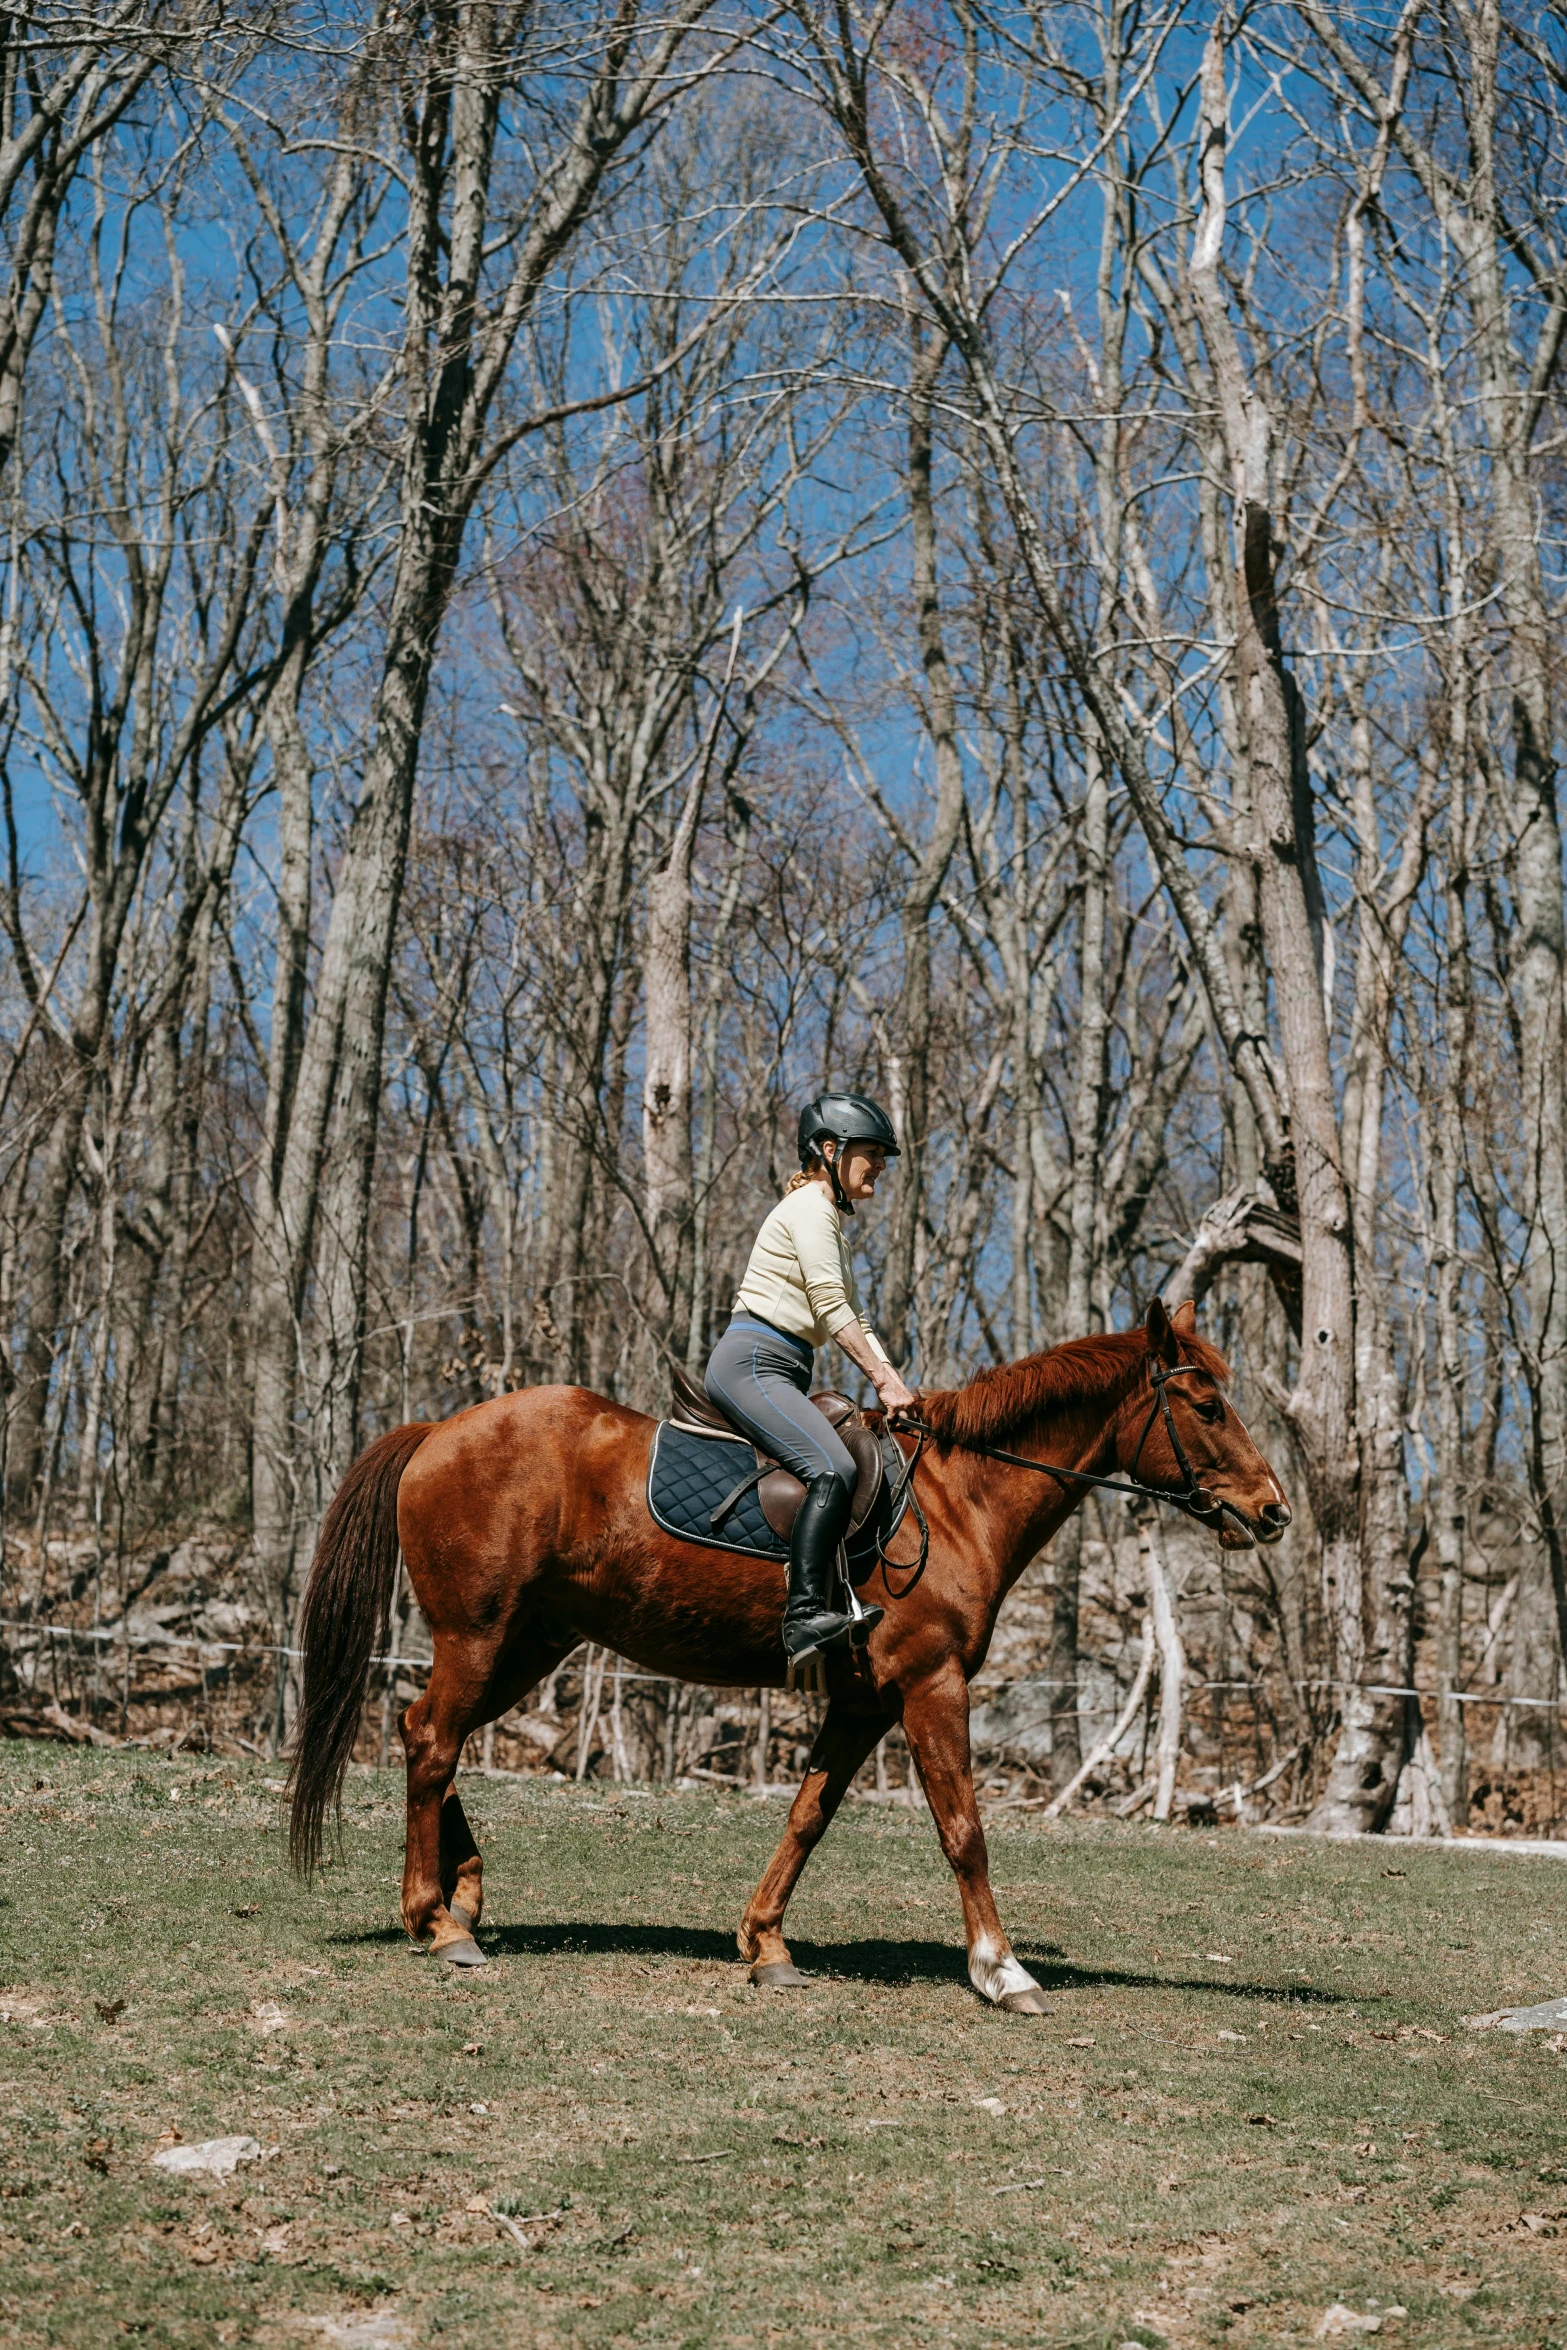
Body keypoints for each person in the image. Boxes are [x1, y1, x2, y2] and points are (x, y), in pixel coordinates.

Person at [705, 1091, 919, 1671]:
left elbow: (854, 1315)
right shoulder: (810, 1211)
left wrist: (896, 1383)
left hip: (782, 1365)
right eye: (870, 1152)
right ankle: (803, 1617)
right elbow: (830, 1306)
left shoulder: (827, 1219)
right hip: (754, 1360)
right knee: (835, 1468)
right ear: (830, 1150)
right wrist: (881, 1379)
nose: (879, 1165)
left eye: (882, 1155)